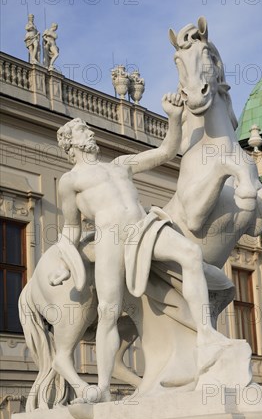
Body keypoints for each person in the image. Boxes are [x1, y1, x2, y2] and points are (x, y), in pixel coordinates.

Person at [52, 93, 229, 403]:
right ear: (69, 143)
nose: (90, 132)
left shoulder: (121, 165)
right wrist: (66, 264)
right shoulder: (70, 181)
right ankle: (104, 388)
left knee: (191, 254)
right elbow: (71, 227)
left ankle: (206, 334)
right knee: (108, 311)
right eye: (82, 130)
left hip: (142, 228)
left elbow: (166, 151)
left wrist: (174, 118)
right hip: (109, 239)